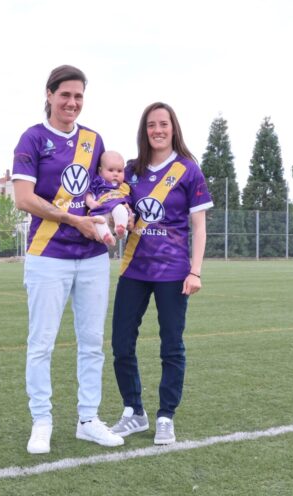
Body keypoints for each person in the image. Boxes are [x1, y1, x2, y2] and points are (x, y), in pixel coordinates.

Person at [12, 64, 124, 454]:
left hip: (93, 256)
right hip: (47, 255)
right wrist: (72, 219)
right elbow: (23, 198)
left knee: (92, 343)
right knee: (41, 343)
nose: (72, 103)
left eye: (78, 96)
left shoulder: (93, 140)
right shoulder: (32, 138)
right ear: (49, 95)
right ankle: (41, 421)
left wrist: (111, 216)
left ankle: (88, 419)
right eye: (65, 95)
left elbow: (103, 190)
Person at [109, 102, 213, 445]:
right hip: (134, 269)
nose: (157, 130)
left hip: (173, 272)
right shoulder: (131, 170)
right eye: (151, 124)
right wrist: (117, 215)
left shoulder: (188, 170)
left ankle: (166, 416)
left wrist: (195, 271)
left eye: (163, 124)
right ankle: (133, 412)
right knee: (121, 342)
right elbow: (116, 204)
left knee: (171, 346)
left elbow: (199, 227)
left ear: (173, 128)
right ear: (145, 130)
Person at [85, 150, 131, 246]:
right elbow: (88, 193)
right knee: (98, 220)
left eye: (119, 171)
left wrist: (128, 208)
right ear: (100, 171)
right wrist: (90, 202)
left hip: (115, 207)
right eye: (111, 170)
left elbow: (127, 200)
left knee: (121, 209)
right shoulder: (98, 181)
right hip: (101, 210)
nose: (115, 174)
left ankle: (120, 227)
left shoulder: (124, 186)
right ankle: (106, 236)